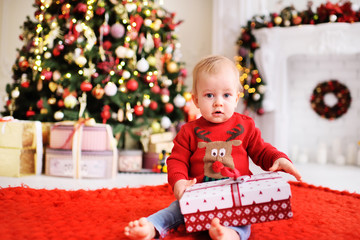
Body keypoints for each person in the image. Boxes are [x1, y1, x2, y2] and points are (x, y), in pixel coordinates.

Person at [124, 55, 302, 240]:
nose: (218, 102)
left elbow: (261, 150)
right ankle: (151, 227)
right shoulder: (188, 131)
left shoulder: (245, 126)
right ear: (196, 100)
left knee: (243, 219)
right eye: (209, 95)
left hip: (236, 194)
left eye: (226, 95)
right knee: (174, 211)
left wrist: (278, 158)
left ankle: (229, 234)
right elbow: (177, 160)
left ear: (236, 99)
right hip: (198, 194)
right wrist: (179, 182)